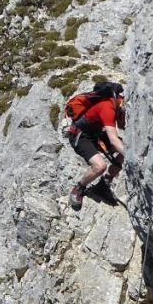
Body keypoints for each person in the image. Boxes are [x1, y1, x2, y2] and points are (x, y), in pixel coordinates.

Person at [64, 82, 126, 210]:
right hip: (81, 136)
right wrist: (132, 158)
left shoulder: (116, 105)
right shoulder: (107, 107)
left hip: (95, 133)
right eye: (121, 97)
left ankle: (104, 185)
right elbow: (114, 140)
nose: (124, 100)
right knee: (99, 166)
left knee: (126, 147)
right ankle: (79, 188)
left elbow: (120, 126)